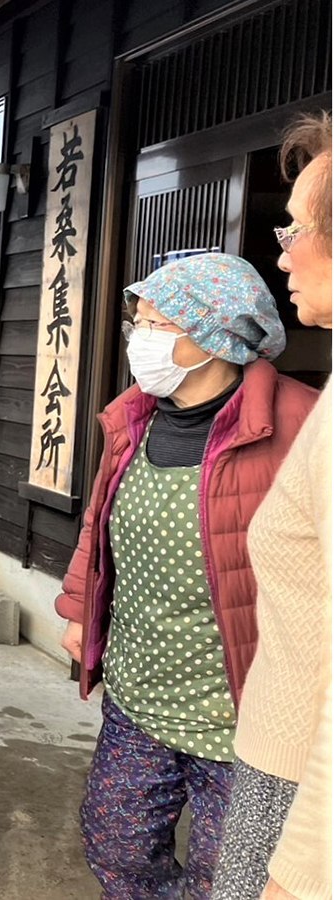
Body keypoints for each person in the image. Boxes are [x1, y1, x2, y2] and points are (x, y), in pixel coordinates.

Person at [55, 251, 318, 899]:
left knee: (228, 877)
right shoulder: (135, 418)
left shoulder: (302, 424)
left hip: (242, 716)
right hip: (139, 693)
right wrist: (78, 609)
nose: (136, 339)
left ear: (215, 336)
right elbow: (100, 520)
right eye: (136, 322)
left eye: (155, 324)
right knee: (115, 844)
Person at [213, 112, 333, 900]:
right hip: (278, 745)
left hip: (303, 784)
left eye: (293, 230)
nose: (280, 252)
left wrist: (301, 872)